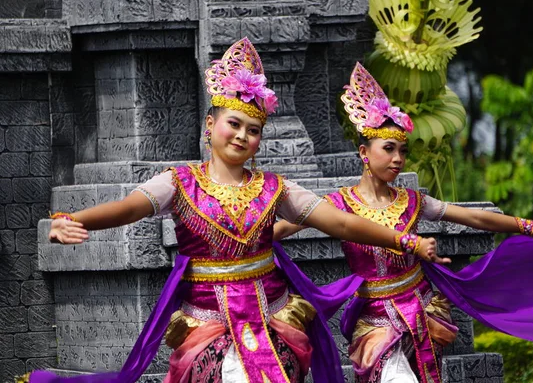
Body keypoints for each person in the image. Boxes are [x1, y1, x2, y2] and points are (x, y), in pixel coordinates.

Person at [27, 40, 449, 383]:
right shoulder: (179, 182)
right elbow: (127, 209)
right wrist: (75, 220)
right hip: (208, 328)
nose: (243, 135)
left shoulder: (273, 188)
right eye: (234, 124)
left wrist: (405, 240)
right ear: (210, 126)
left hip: (272, 322)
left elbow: (340, 222)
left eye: (254, 130)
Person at [274, 63, 533, 383]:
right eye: (388, 149)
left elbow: (473, 216)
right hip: (373, 320)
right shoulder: (337, 205)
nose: (398, 159)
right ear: (364, 152)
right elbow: (278, 231)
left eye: (402, 150)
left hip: (422, 310)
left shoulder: (413, 202)